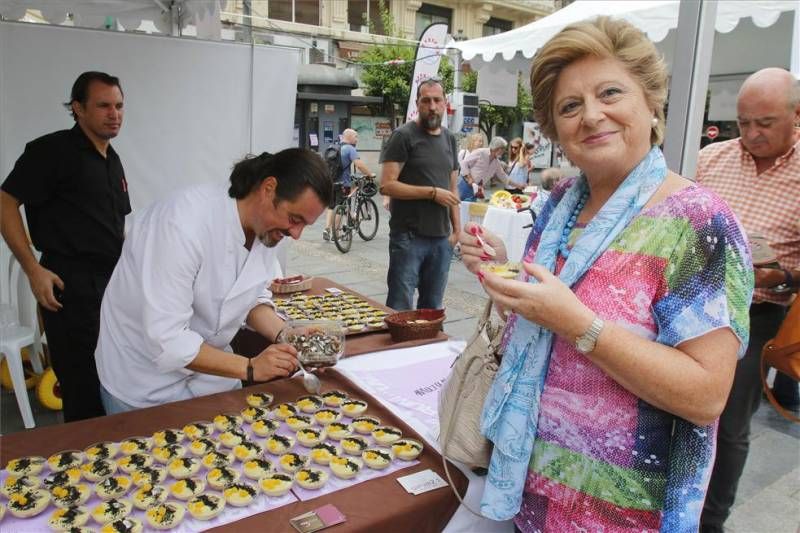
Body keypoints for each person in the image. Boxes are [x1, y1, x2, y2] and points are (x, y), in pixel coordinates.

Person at [458, 17, 752, 531]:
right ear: (555, 129)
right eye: (570, 106)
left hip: (622, 511)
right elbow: (537, 321)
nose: (592, 116)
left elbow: (707, 396)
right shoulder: (558, 207)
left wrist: (579, 324)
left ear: (651, 101)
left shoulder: (698, 222)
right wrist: (501, 266)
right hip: (533, 493)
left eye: (610, 93)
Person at [95, 149, 331, 411]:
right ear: (268, 188)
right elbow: (168, 340)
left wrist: (286, 334)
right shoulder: (181, 225)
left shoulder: (267, 229)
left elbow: (251, 297)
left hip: (211, 377)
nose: (296, 234)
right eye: (295, 219)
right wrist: (251, 367)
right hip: (144, 380)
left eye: (304, 225)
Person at [697, 68, 800, 533]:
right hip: (696, 301)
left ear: (796, 116)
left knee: (728, 420)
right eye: (743, 123)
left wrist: (785, 273)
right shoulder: (711, 159)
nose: (752, 134)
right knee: (678, 406)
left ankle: (711, 520)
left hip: (758, 312)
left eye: (765, 123)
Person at [0, 71, 128, 422]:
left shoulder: (111, 158)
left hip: (110, 284)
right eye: (103, 105)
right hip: (68, 283)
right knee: (81, 383)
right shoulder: (51, 151)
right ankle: (85, 464)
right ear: (78, 108)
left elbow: (113, 227)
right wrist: (32, 268)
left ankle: (116, 456)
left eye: (118, 105)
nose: (114, 113)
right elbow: (5, 201)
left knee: (112, 375)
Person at [380, 78, 460, 311]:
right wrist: (432, 193)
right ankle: (400, 348)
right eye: (426, 101)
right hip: (408, 237)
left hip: (441, 239)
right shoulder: (403, 136)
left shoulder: (450, 139)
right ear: (417, 103)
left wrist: (457, 231)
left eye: (437, 100)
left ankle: (428, 348)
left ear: (445, 104)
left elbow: (453, 189)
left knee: (432, 307)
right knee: (400, 306)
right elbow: (386, 185)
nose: (432, 106)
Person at [322, 128, 375, 242]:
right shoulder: (350, 149)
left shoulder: (334, 147)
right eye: (356, 137)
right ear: (350, 137)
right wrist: (370, 174)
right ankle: (336, 235)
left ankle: (327, 229)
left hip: (331, 182)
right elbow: (359, 165)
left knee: (332, 207)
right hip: (343, 184)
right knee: (341, 208)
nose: (357, 139)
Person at [458, 137, 523, 201]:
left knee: (470, 209)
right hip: (465, 185)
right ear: (498, 148)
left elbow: (504, 177)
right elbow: (464, 163)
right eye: (503, 149)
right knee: (458, 205)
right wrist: (469, 178)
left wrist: (518, 185)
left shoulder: (496, 162)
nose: (504, 151)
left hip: (477, 189)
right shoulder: (480, 152)